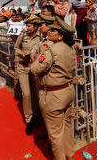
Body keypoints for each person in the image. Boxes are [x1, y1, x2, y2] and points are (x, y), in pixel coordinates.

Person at [31, 17, 77, 160]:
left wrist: (40, 53)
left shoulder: (50, 51)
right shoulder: (70, 49)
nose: (49, 32)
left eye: (53, 31)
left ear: (60, 35)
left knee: (55, 133)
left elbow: (34, 69)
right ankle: (70, 155)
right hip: (68, 91)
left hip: (53, 96)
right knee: (67, 128)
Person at [14, 15, 42, 135]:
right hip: (22, 67)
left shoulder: (40, 37)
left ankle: (36, 116)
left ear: (35, 27)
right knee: (26, 94)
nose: (27, 27)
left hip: (34, 69)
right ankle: (28, 120)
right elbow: (15, 48)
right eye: (27, 25)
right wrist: (21, 53)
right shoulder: (23, 35)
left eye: (29, 26)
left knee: (35, 94)